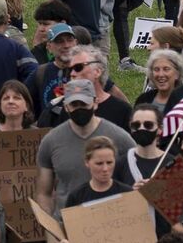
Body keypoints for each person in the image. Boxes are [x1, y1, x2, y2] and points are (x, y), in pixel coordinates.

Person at [36, 81, 136, 215]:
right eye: (74, 104)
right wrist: (51, 228)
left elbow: (136, 180)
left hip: (110, 220)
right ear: (66, 106)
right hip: (66, 224)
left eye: (84, 104)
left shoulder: (121, 138)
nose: (79, 109)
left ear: (95, 103)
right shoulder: (50, 141)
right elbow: (43, 193)